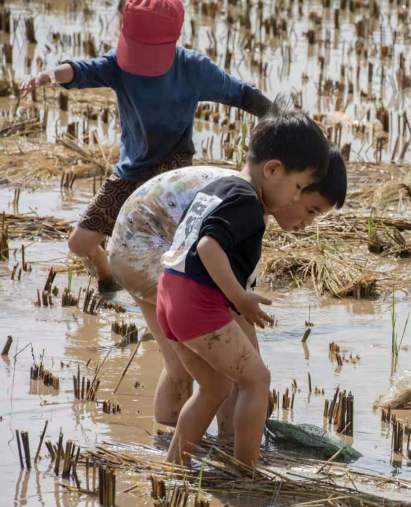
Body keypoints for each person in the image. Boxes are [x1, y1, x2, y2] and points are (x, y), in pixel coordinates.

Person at [21, 0, 274, 293]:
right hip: (132, 171)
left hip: (174, 175)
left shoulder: (192, 68)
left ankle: (171, 309)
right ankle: (108, 282)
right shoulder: (119, 65)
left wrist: (284, 119)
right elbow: (80, 71)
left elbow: (241, 93)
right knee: (79, 244)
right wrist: (50, 75)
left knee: (169, 254)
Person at [108, 144, 347, 434]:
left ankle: (166, 439)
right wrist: (253, 379)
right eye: (309, 209)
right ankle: (228, 442)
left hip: (129, 245)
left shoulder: (242, 189)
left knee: (181, 365)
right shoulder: (246, 208)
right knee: (237, 371)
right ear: (292, 185)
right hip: (149, 246)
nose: (307, 223)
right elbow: (237, 310)